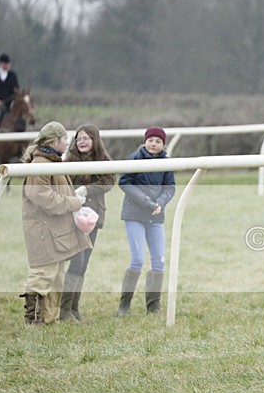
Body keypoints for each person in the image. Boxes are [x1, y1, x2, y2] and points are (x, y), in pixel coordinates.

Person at [20, 121, 92, 324]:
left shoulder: (51, 163)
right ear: (54, 141)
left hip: (53, 232)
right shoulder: (40, 166)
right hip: (43, 232)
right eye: (64, 139)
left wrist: (73, 196)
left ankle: (49, 319)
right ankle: (33, 320)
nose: (68, 142)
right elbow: (45, 199)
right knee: (43, 275)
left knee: (56, 276)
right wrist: (74, 202)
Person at [117, 126, 176, 316]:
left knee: (158, 261)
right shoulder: (134, 159)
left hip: (156, 217)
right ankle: (124, 305)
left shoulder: (166, 162)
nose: (154, 144)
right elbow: (124, 182)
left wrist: (159, 202)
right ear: (145, 141)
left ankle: (153, 306)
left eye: (158, 141)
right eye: (151, 140)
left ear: (163, 144)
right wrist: (147, 202)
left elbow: (170, 188)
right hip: (134, 215)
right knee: (138, 260)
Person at [59, 125, 115, 321]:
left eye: (86, 138)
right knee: (77, 261)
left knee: (83, 264)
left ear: (95, 140)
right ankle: (64, 310)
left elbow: (109, 181)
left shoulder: (103, 160)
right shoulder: (68, 161)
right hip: (73, 216)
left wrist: (86, 189)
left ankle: (73, 308)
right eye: (78, 138)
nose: (81, 142)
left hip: (92, 218)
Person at [0, 53, 20, 132]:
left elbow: (16, 91)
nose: (8, 65)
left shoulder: (12, 76)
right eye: (7, 64)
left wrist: (10, 101)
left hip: (9, 105)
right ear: (2, 64)